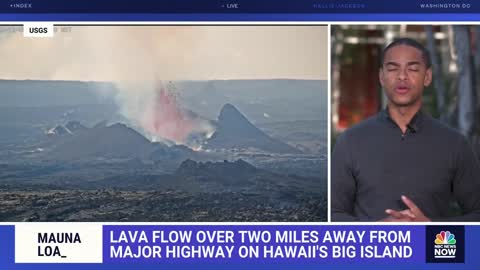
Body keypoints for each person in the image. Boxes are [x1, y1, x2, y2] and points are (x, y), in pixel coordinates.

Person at [331, 38, 480, 222]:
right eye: (393, 68)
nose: (402, 76)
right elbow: (333, 214)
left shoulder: (455, 144)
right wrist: (374, 231)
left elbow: (477, 215)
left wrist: (430, 227)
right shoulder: (351, 141)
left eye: (413, 69)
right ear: (381, 77)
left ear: (427, 77)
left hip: (431, 249)